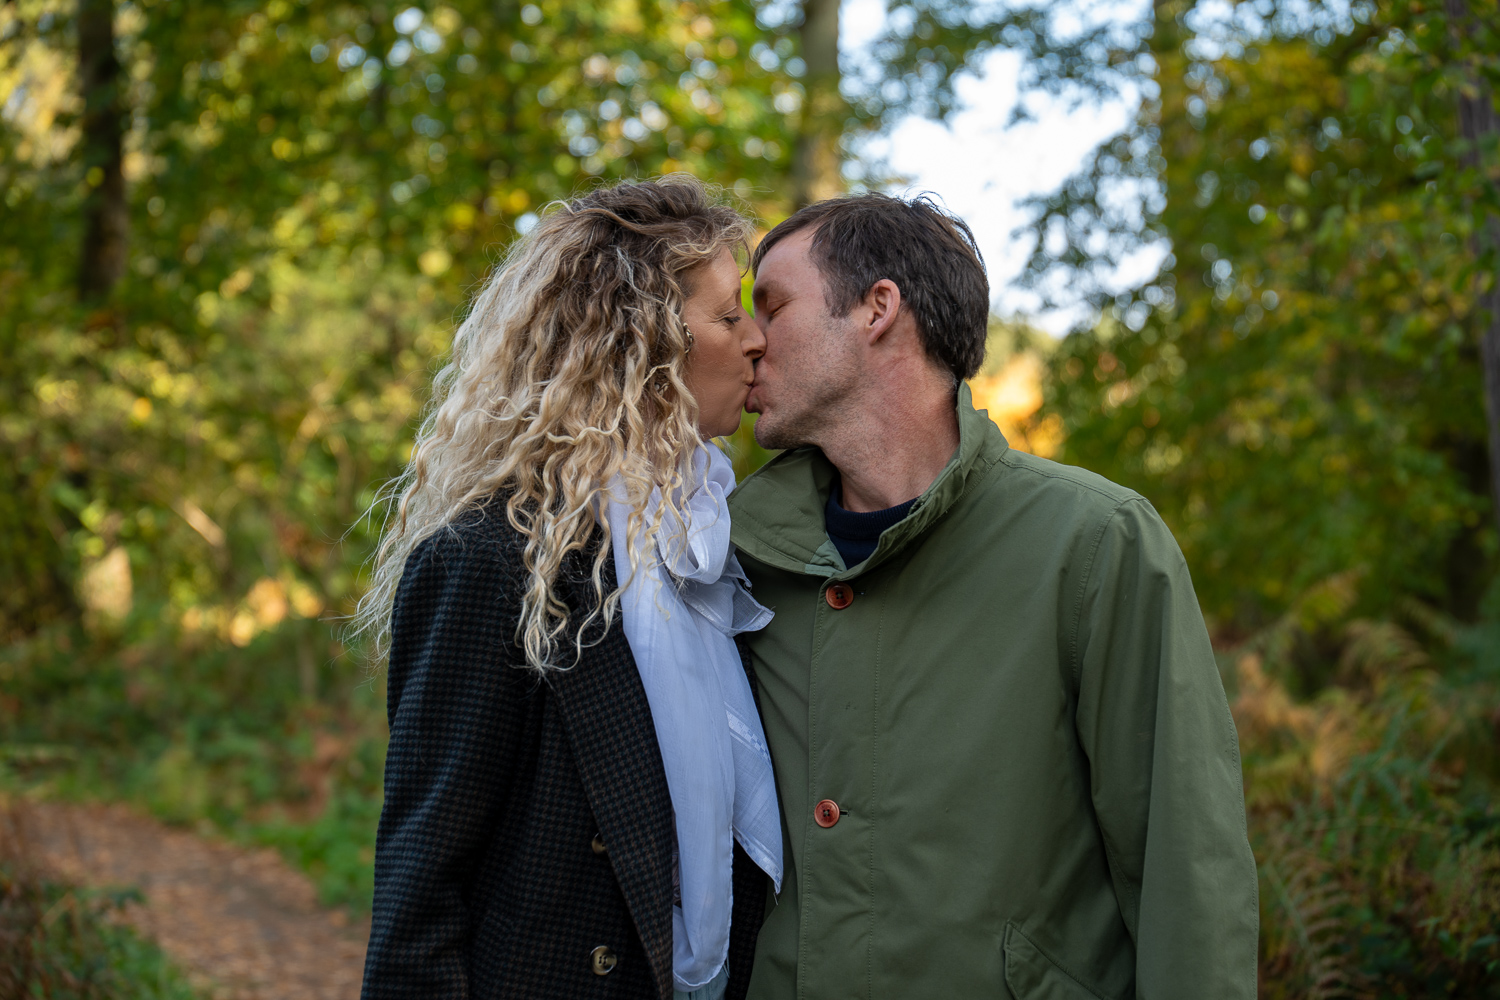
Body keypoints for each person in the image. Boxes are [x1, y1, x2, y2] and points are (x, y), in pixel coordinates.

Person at [729, 193, 1259, 999]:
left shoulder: (1094, 543)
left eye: (772, 304)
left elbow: (1185, 863)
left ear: (877, 309)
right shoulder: (725, 559)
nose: (751, 340)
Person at [356, 177, 783, 1000]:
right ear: (637, 339)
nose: (758, 339)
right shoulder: (489, 559)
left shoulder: (710, 546)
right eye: (729, 315)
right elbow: (422, 885)